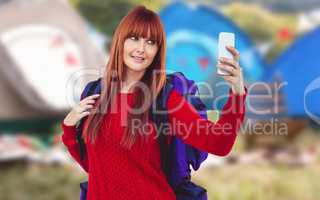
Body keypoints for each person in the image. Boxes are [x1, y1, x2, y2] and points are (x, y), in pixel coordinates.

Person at [61, 5, 247, 200]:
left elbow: (219, 143)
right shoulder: (95, 93)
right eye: (134, 38)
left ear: (158, 50)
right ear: (120, 41)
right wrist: (69, 126)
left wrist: (237, 91)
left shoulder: (165, 98)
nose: (141, 49)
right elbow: (94, 166)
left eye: (151, 42)